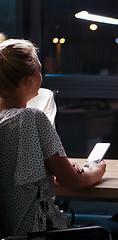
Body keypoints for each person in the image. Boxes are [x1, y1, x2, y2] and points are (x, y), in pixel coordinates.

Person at [0, 39, 106, 237]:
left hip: (9, 234)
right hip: (39, 233)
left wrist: (52, 169)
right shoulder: (31, 117)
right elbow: (74, 182)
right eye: (39, 71)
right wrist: (97, 171)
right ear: (30, 81)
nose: (42, 77)